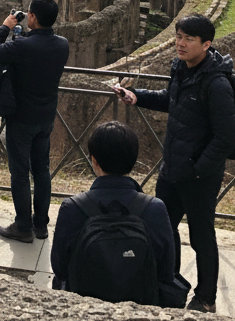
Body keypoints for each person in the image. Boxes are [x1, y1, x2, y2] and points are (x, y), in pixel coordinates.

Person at [113, 13, 235, 313]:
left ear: (206, 44)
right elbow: (171, 99)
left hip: (198, 176)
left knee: (201, 236)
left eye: (188, 39)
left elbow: (226, 137)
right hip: (172, 167)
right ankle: (167, 282)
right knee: (162, 229)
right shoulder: (180, 68)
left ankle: (206, 298)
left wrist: (198, 169)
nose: (180, 44)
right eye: (178, 37)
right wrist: (136, 97)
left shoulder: (217, 84)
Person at [51, 121, 188, 307]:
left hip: (84, 307)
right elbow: (166, 271)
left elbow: (60, 268)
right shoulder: (155, 208)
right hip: (141, 307)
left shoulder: (72, 207)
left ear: (94, 161)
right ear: (132, 161)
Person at [0, 0, 70, 242]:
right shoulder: (63, 44)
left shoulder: (23, 46)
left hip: (21, 118)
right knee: (42, 171)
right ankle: (41, 225)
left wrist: (5, 26)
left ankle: (23, 226)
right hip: (46, 118)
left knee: (20, 173)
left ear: (32, 17)